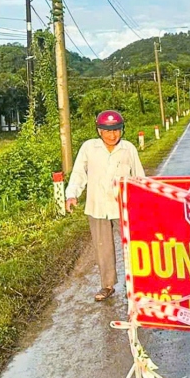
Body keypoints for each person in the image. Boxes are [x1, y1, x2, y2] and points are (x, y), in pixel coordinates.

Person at [65, 110, 145, 302]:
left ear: (121, 130)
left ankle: (136, 284)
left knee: (132, 245)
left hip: (123, 205)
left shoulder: (128, 149)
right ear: (99, 130)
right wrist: (72, 194)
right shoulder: (89, 148)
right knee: (103, 247)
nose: (112, 135)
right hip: (98, 205)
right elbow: (78, 173)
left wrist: (143, 201)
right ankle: (107, 285)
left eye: (116, 130)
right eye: (107, 131)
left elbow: (139, 176)